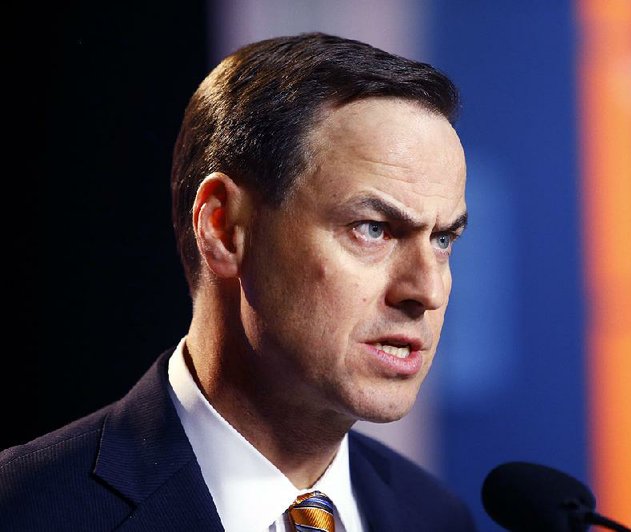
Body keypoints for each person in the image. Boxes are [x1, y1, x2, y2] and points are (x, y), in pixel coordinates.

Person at [0, 32, 474, 531]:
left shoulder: (435, 516)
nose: (427, 291)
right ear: (223, 229)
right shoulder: (27, 510)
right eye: (373, 229)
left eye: (443, 240)